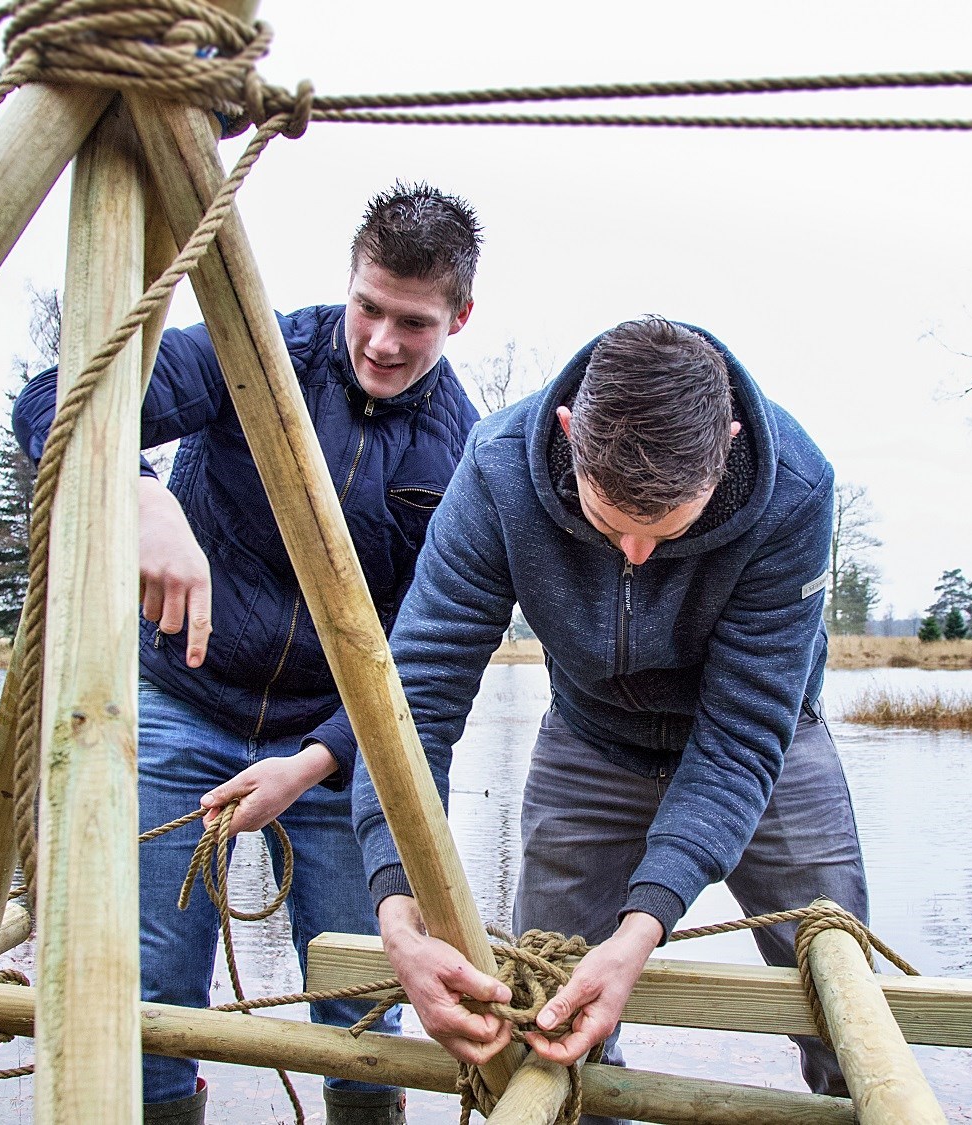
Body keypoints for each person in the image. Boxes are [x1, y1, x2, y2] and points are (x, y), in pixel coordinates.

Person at [14, 182, 483, 1125]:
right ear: (348, 284)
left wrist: (313, 763)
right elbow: (50, 400)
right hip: (182, 698)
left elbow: (424, 664)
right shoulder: (257, 353)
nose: (383, 341)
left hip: (328, 745)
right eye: (369, 307)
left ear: (461, 317)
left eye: (415, 323)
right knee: (150, 981)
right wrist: (139, 492)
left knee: (360, 994)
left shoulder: (461, 450)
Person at [346, 315, 870, 1121]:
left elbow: (738, 742)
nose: (631, 554)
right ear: (567, 434)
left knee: (846, 1009)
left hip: (767, 747)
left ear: (726, 445)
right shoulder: (497, 471)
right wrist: (395, 900)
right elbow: (414, 697)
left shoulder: (795, 490)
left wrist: (640, 931)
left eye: (666, 530)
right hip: (592, 741)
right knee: (551, 1014)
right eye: (607, 519)